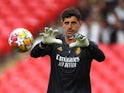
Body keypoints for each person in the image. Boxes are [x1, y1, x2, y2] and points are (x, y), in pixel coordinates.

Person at [30, 7, 105, 93]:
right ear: (62, 24)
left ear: (80, 24)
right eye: (66, 23)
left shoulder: (86, 44)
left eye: (73, 23)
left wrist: (88, 46)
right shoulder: (55, 42)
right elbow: (34, 54)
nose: (70, 26)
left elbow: (101, 57)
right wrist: (43, 43)